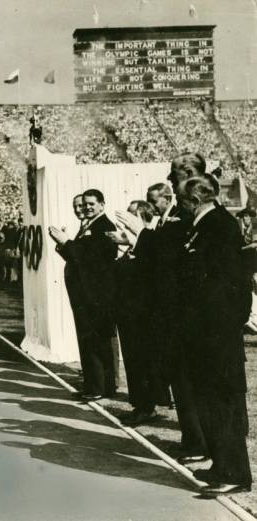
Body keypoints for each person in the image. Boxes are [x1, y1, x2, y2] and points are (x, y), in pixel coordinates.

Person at [116, 177, 208, 463]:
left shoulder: (177, 223)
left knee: (188, 384)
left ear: (168, 199)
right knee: (181, 383)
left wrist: (139, 237)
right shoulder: (165, 223)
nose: (151, 203)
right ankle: (191, 440)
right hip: (163, 312)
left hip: (175, 313)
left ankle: (196, 442)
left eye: (154, 199)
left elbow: (165, 262)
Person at [176, 176, 252, 495]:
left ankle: (233, 473)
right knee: (209, 402)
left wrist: (216, 326)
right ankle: (222, 464)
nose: (179, 208)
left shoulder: (218, 226)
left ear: (193, 200)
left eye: (181, 201)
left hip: (215, 334)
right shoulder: (206, 225)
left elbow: (223, 285)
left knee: (221, 403)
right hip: (206, 332)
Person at [49, 189, 118, 401]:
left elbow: (90, 259)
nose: (87, 207)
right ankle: (94, 385)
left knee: (96, 341)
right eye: (84, 204)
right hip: (85, 294)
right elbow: (77, 257)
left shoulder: (103, 227)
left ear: (102, 205)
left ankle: (99, 388)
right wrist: (64, 244)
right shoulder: (89, 226)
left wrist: (66, 242)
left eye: (91, 204)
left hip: (95, 295)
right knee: (88, 340)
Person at [111, 200, 168, 426]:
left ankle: (147, 406)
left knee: (144, 363)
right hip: (129, 316)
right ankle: (139, 405)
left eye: (133, 215)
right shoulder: (130, 244)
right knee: (134, 363)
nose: (127, 219)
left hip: (144, 317)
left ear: (144, 218)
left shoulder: (150, 242)